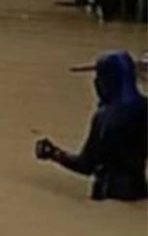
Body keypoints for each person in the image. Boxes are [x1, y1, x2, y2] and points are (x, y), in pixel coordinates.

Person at [35, 51, 147, 201]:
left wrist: (54, 153)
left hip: (109, 194)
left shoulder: (105, 118)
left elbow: (86, 165)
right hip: (139, 191)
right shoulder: (144, 109)